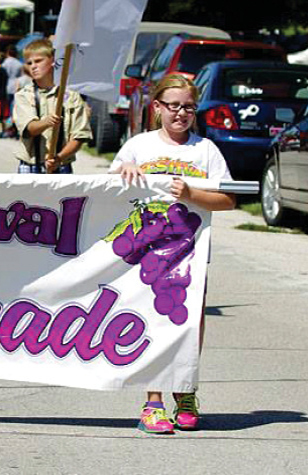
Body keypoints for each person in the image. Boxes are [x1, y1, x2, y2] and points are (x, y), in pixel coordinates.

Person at [109, 73, 235, 434]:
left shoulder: (205, 150)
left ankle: (186, 392)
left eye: (189, 107)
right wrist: (124, 169)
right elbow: (106, 189)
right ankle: (153, 401)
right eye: (174, 106)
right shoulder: (139, 145)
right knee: (153, 322)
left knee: (190, 324)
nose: (181, 113)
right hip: (148, 252)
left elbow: (228, 199)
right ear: (157, 107)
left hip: (191, 252)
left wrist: (192, 195)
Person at [12, 39, 91, 173]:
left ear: (53, 61)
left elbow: (79, 136)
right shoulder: (23, 95)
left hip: (61, 164)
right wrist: (46, 122)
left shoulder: (71, 96)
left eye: (38, 61)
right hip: (31, 165)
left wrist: (58, 158)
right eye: (29, 63)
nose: (33, 66)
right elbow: (29, 129)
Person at [2, 45, 23, 137]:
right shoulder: (19, 64)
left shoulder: (5, 63)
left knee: (5, 108)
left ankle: (6, 128)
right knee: (13, 108)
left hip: (6, 86)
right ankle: (13, 128)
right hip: (15, 85)